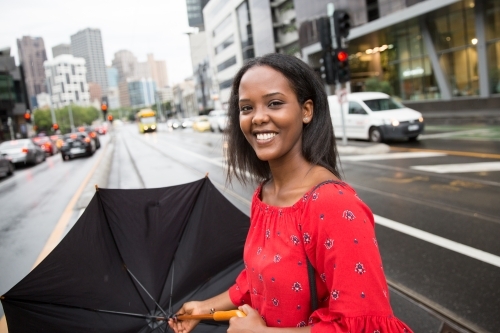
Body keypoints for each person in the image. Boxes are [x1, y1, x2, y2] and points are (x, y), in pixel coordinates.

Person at [169, 53, 412, 333]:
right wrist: (205, 308)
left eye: (274, 103)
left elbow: (364, 326)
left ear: (306, 110)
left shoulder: (333, 203)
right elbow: (259, 279)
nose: (258, 118)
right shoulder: (264, 195)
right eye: (246, 108)